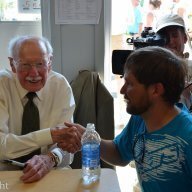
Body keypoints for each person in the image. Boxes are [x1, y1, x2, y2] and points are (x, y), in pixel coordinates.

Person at [65, 46, 192, 192]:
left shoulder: (188, 134)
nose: (122, 90)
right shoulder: (140, 118)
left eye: (130, 84)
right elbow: (119, 153)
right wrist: (86, 137)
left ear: (156, 90)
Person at [0, 36, 82, 183]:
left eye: (40, 64)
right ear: (12, 64)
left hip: (50, 172)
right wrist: (50, 135)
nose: (34, 73)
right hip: (6, 175)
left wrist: (50, 158)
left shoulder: (60, 86)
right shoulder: (2, 85)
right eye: (25, 65)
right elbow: (1, 147)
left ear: (50, 62)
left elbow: (68, 148)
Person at [155, 13, 192, 110]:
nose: (170, 41)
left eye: (175, 35)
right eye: (165, 37)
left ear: (184, 38)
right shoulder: (152, 71)